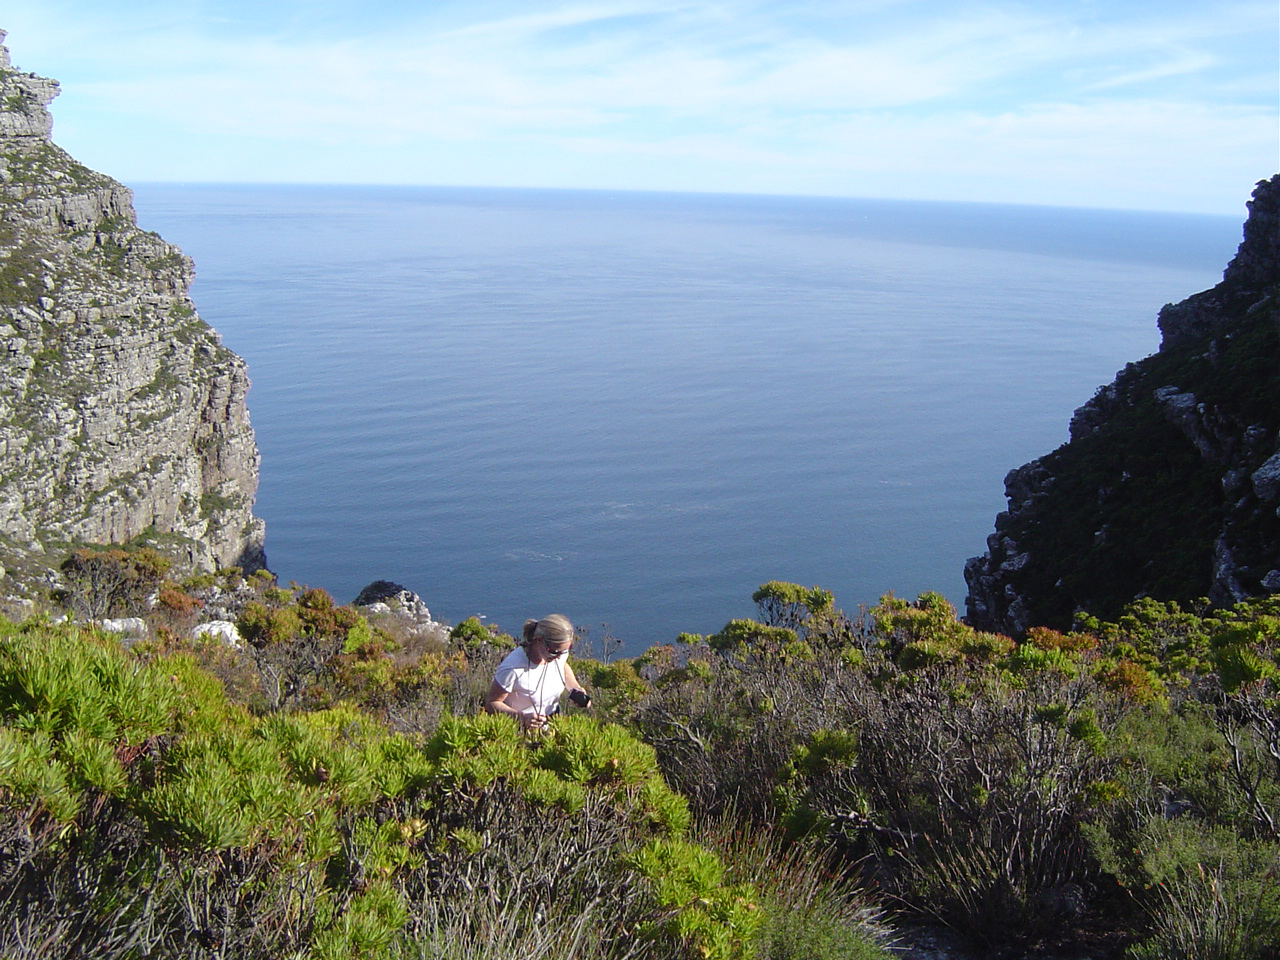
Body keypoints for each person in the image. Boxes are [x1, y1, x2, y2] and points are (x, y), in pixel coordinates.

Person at [485, 614, 591, 730]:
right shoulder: (513, 669)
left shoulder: (558, 654)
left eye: (566, 650)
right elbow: (492, 703)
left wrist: (575, 689)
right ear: (539, 640)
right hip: (519, 729)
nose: (559, 656)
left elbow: (562, 666)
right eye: (554, 651)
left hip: (553, 720)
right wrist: (522, 718)